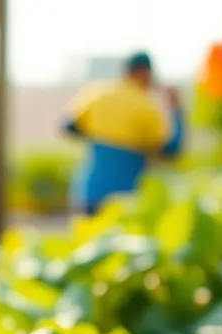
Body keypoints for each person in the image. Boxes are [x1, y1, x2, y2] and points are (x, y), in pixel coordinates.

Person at [61, 51, 184, 215]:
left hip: (90, 192)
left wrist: (102, 138)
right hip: (126, 197)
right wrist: (176, 110)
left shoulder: (98, 94)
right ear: (145, 73)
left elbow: (68, 126)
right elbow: (171, 151)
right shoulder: (145, 105)